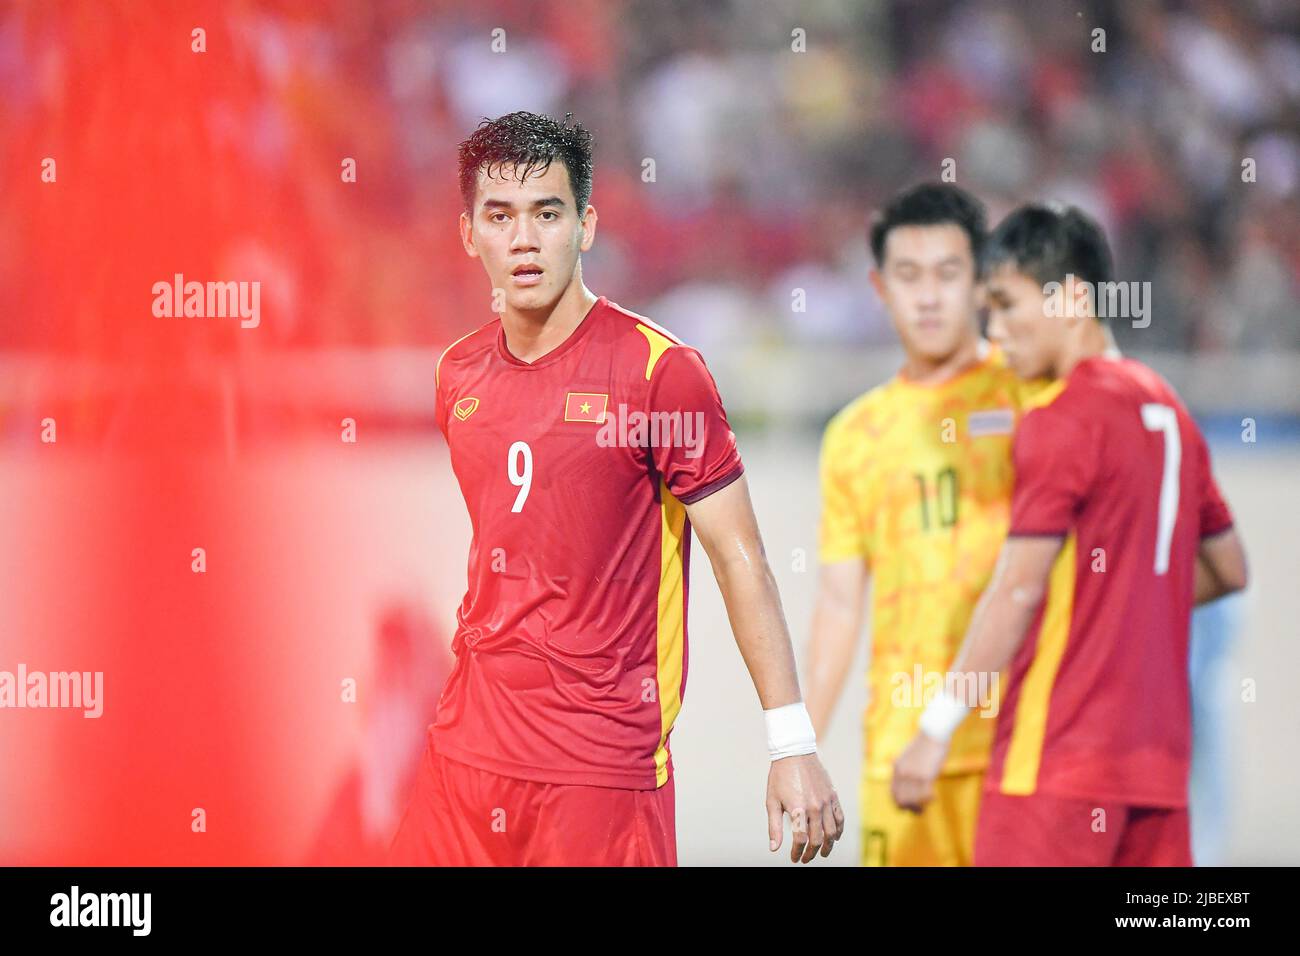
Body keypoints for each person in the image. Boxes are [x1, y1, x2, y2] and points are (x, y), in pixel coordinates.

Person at [388, 111, 842, 866]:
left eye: (548, 213)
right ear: (469, 234)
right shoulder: (456, 376)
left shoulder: (661, 373)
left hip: (597, 770)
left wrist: (791, 741)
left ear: (587, 225)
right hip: (462, 755)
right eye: (499, 216)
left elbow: (741, 559)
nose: (524, 239)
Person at [892, 203, 1248, 866]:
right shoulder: (1168, 408)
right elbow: (1230, 569)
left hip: (1055, 764)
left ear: (1072, 297)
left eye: (1005, 305)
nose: (996, 332)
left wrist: (935, 729)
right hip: (1160, 778)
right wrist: (1118, 605)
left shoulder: (1062, 418)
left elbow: (1018, 590)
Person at [805, 182, 1036, 865]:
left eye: (948, 274)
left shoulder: (1030, 398)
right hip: (903, 757)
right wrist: (801, 746)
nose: (928, 297)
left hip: (1021, 750)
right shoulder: (855, 434)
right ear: (880, 287)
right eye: (908, 276)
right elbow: (840, 605)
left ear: (981, 282)